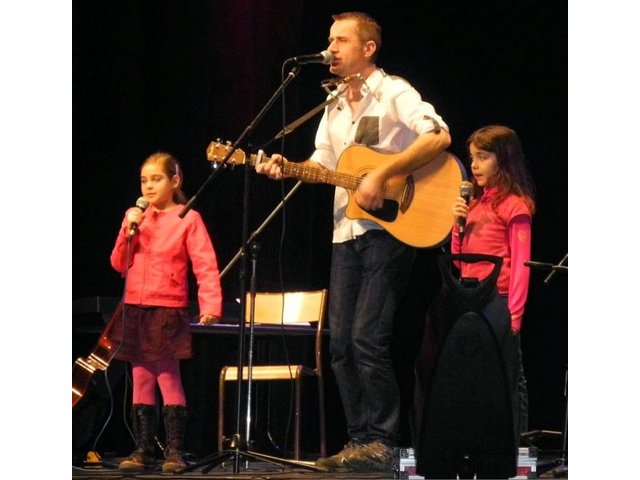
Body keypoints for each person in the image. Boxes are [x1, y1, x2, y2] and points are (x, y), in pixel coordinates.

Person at [255, 11, 450, 473]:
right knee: (339, 341)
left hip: (390, 229)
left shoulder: (395, 92)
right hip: (346, 231)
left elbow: (439, 136)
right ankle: (359, 439)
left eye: (341, 40)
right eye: (328, 40)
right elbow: (324, 161)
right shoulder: (335, 103)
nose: (331, 49)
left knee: (368, 336)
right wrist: (289, 166)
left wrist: (383, 172)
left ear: (368, 48)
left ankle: (383, 441)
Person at [109, 152, 223, 473]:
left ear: (175, 181)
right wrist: (128, 229)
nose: (148, 186)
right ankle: (143, 449)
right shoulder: (135, 218)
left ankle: (175, 451)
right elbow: (119, 263)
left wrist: (211, 305)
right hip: (135, 307)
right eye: (144, 180)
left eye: (156, 179)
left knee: (167, 375)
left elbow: (205, 265)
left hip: (167, 306)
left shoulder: (188, 218)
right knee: (141, 376)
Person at [451, 124, 535, 436]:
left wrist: (514, 314)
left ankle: (516, 445)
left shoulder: (515, 205)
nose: (473, 165)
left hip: (499, 303)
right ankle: (481, 440)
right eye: (472, 157)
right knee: (475, 376)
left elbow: (523, 264)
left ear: (503, 159)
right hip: (471, 300)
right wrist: (456, 226)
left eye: (482, 157)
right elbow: (459, 261)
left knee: (511, 378)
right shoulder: (473, 202)